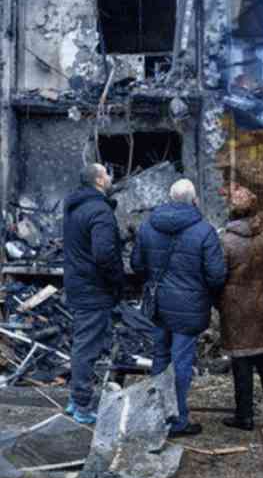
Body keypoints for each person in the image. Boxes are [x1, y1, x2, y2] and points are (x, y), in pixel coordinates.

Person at [131, 179, 226, 438]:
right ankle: (178, 420)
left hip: (159, 304)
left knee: (160, 358)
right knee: (181, 361)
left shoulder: (148, 226)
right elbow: (217, 275)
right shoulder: (205, 231)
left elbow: (137, 264)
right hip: (190, 306)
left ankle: (159, 414)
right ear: (194, 200)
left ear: (169, 198)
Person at [217, 183, 263, 432]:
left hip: (236, 309)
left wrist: (220, 301)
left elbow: (217, 276)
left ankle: (244, 416)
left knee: (241, 362)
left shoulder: (225, 241)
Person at [62, 163, 126, 424]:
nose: (111, 177)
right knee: (87, 346)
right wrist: (116, 282)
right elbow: (104, 255)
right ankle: (82, 404)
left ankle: (75, 399)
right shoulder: (99, 210)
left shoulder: (74, 208)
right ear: (99, 180)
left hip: (78, 284)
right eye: (107, 173)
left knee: (82, 342)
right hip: (93, 288)